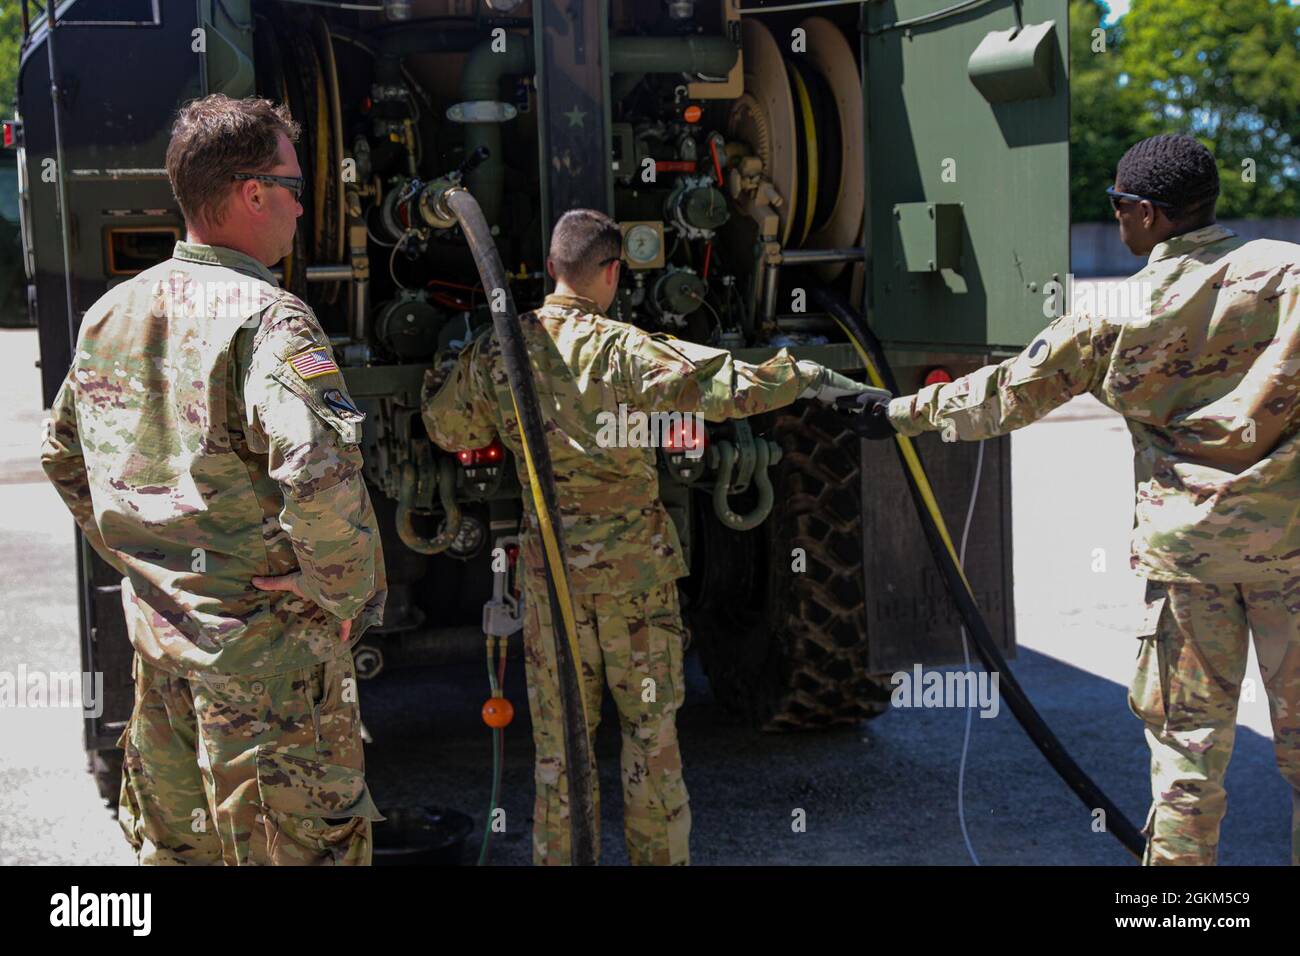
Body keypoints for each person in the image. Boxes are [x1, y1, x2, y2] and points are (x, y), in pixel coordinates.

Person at [856, 133, 1300, 866]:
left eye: (1119, 206)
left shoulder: (1120, 308)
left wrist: (895, 415)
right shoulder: (1287, 274)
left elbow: (1009, 395)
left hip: (1190, 567)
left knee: (1188, 763)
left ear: (1150, 215)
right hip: (1290, 553)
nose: (1117, 219)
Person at [422, 208, 866, 864]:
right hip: (636, 584)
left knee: (561, 753)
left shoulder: (499, 350)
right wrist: (807, 377)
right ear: (612, 273)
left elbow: (447, 428)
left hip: (554, 589)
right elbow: (726, 385)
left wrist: (445, 379)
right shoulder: (626, 350)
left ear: (551, 270)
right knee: (650, 741)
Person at [40, 94, 386, 865]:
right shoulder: (269, 318)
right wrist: (341, 593)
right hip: (266, 675)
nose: (302, 210)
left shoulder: (111, 314)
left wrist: (144, 557)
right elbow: (319, 471)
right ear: (252, 193)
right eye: (296, 188)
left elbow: (64, 454)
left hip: (160, 660)